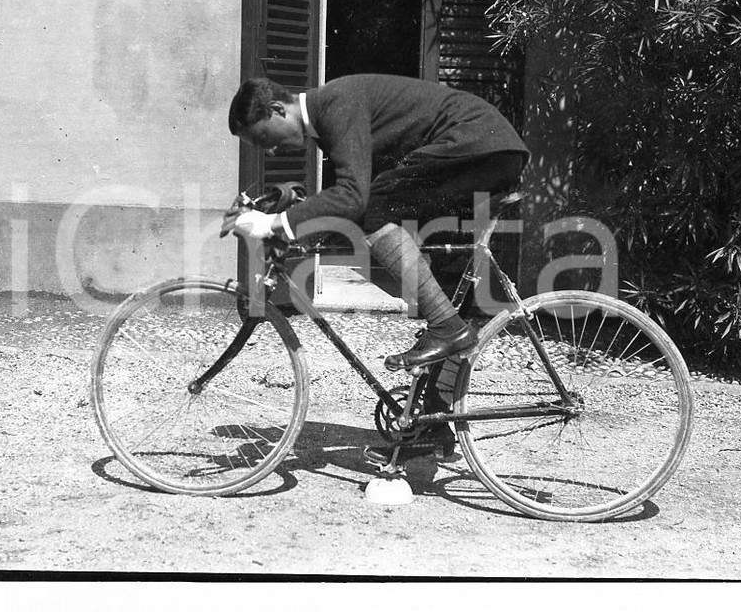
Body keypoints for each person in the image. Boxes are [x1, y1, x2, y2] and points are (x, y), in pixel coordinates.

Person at [224, 74, 529, 461]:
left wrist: (274, 224)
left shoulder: (336, 103)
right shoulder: (330, 119)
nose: (268, 152)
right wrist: (294, 217)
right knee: (449, 293)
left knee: (375, 208)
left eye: (264, 138)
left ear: (277, 110)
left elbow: (352, 197)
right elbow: (342, 206)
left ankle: (447, 328)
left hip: (477, 144)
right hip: (487, 149)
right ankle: (433, 425)